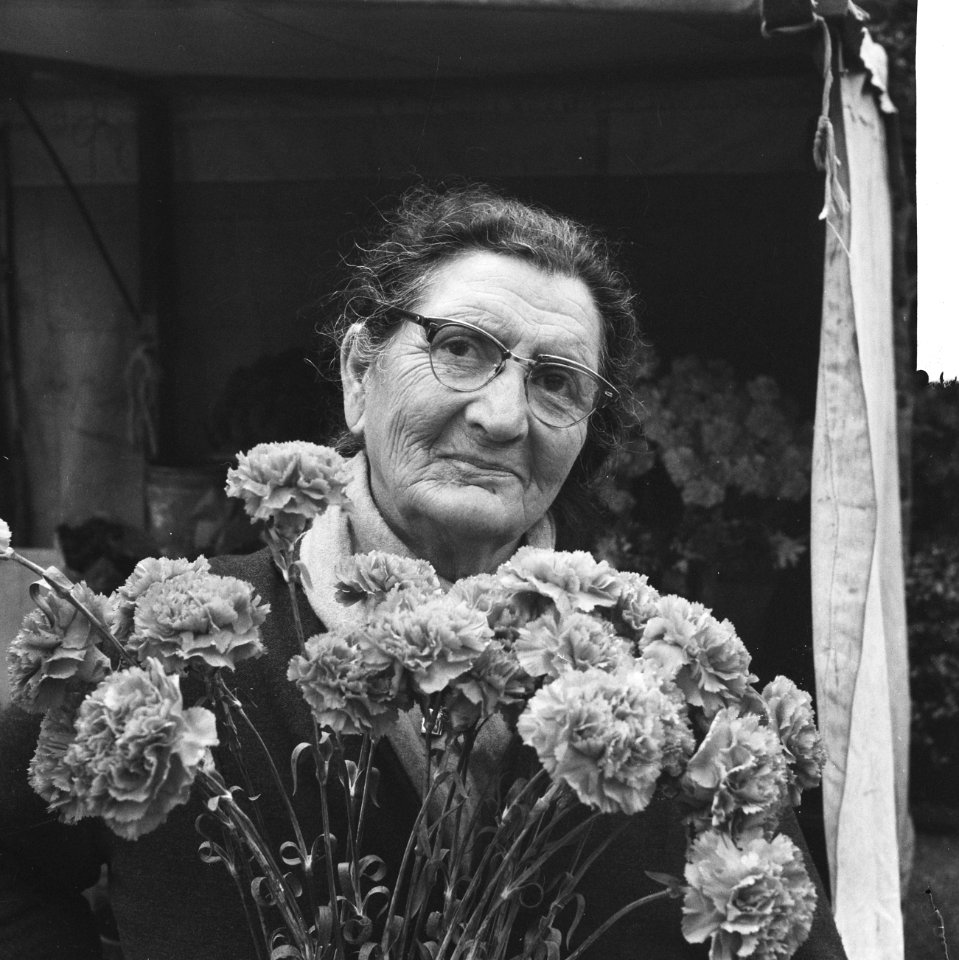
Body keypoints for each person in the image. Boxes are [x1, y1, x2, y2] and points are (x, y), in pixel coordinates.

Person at [0, 184, 846, 960]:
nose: (501, 416)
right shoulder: (168, 643)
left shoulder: (676, 692)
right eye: (460, 348)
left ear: (588, 433)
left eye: (555, 383)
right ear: (357, 374)